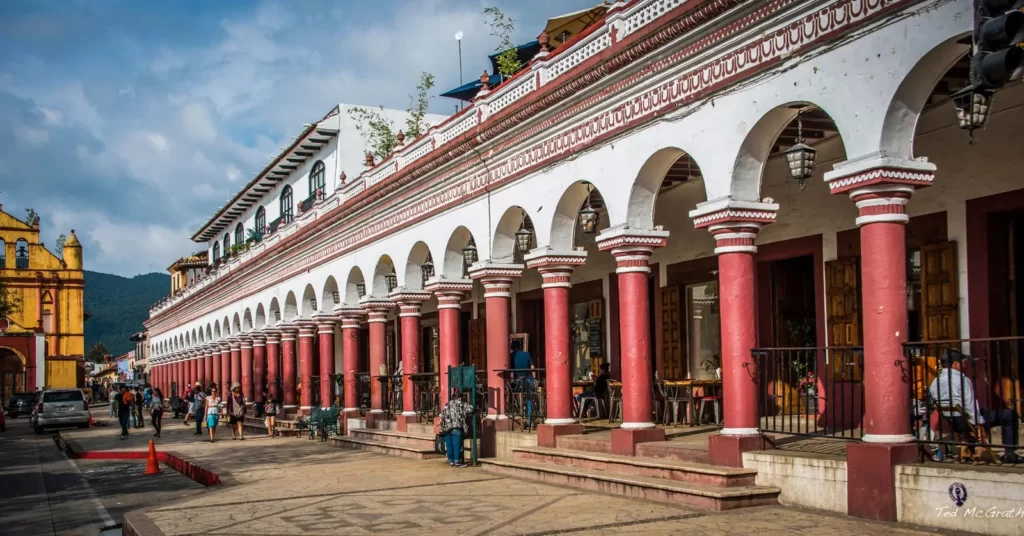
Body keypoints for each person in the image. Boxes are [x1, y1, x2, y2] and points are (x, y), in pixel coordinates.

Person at [928, 349, 1024, 464]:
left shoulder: (935, 382)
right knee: (1009, 414)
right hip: (968, 423)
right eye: (963, 362)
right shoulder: (962, 380)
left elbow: (932, 402)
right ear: (955, 364)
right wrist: (979, 427)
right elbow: (971, 405)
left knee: (983, 412)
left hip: (954, 423)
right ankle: (1010, 453)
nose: (965, 365)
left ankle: (971, 449)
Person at [438, 389, 474, 467]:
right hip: (456, 427)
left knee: (449, 445)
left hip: (447, 428)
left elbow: (441, 415)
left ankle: (450, 460)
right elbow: (470, 409)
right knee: (456, 445)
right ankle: (457, 461)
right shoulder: (461, 403)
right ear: (460, 398)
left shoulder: (447, 404)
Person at [510, 339, 535, 429]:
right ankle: (529, 420)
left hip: (518, 383)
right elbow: (532, 368)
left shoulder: (511, 356)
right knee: (529, 399)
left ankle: (518, 416)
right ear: (520, 347)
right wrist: (534, 379)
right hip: (528, 380)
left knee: (515, 397)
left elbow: (511, 371)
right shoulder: (527, 354)